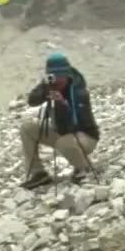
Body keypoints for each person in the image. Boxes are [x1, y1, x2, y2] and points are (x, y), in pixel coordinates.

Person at [19, 52, 99, 189]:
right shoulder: (50, 86)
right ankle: (39, 174)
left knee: (64, 142)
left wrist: (62, 105)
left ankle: (83, 169)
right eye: (55, 77)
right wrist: (44, 90)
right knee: (27, 128)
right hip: (62, 133)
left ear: (67, 75)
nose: (58, 82)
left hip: (85, 137)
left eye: (61, 77)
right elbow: (32, 101)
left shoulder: (79, 93)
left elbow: (69, 127)